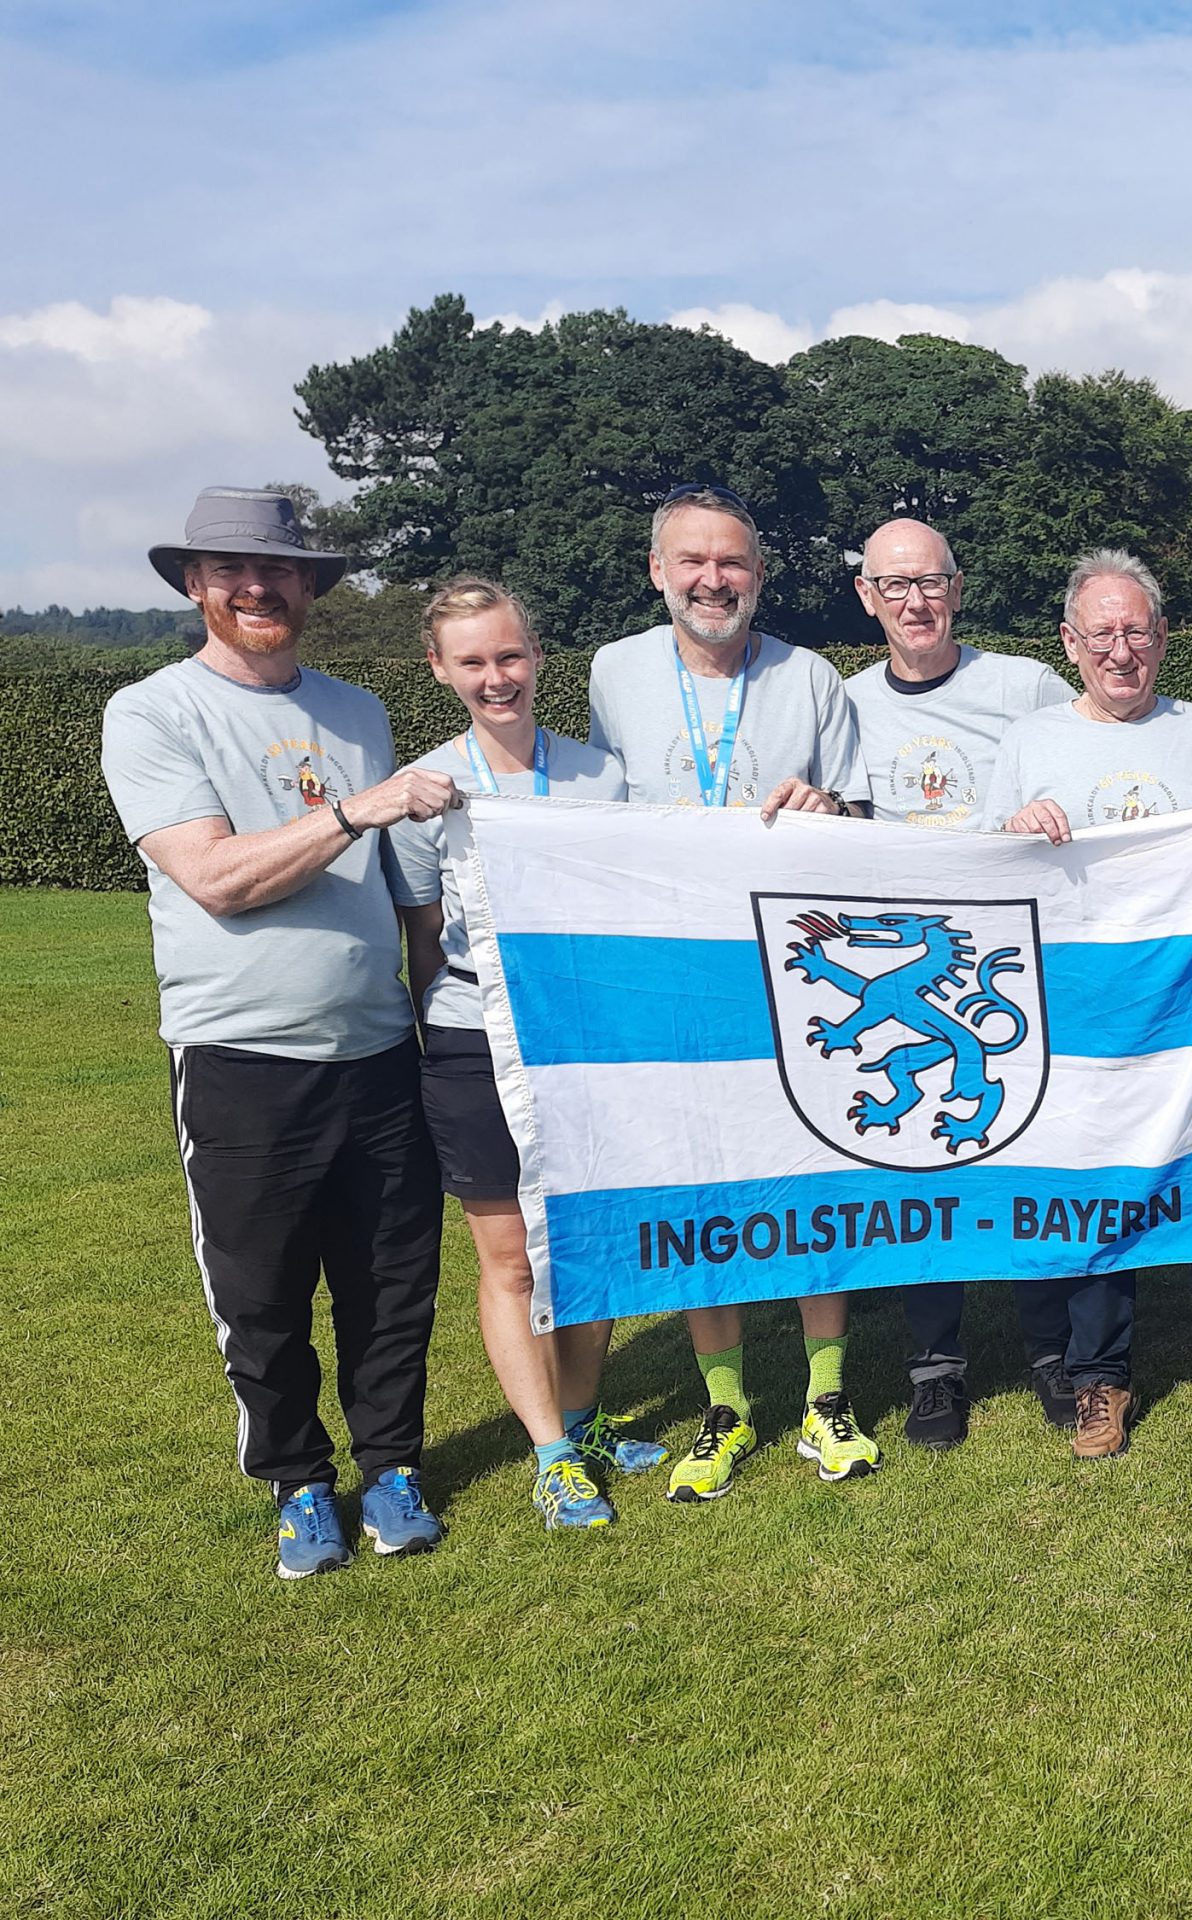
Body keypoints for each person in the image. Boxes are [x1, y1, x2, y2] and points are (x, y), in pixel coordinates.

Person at [100, 487, 452, 1577]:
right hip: (244, 1057)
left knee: (393, 1282)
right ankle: (300, 1484)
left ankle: (392, 1469)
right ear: (197, 586)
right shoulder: (153, 711)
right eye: (232, 572)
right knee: (261, 1293)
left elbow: (410, 896)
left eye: (281, 572)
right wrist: (354, 809)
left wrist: (434, 1014)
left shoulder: (355, 712)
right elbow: (214, 878)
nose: (258, 588)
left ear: (309, 588)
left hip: (379, 1048)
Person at [586, 482, 872, 1502]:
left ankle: (827, 1395)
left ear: (760, 572)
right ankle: (725, 1404)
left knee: (812, 1174)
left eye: (734, 562)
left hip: (789, 975)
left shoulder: (811, 678)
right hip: (671, 978)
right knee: (700, 1182)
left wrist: (827, 803)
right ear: (657, 571)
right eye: (694, 562)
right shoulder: (613, 673)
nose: (715, 580)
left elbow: (862, 819)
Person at [987, 549, 1192, 1458]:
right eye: (1102, 635)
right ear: (1070, 643)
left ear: (1162, 638)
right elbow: (985, 871)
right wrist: (1013, 830)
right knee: (1093, 1184)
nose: (1121, 651)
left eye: (1137, 632)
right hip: (1078, 1007)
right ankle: (1099, 1380)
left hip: (1191, 1003)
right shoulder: (1032, 741)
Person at [387, 578, 666, 1531]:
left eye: (510, 656)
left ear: (538, 656)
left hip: (582, 1040)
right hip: (473, 1039)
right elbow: (426, 941)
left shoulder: (601, 778)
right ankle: (550, 1456)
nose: (496, 678)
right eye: (472, 662)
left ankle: (583, 1424)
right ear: (440, 669)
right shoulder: (424, 788)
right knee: (509, 1258)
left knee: (585, 1240)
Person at [841, 516, 1079, 1450]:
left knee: (1029, 1148)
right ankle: (934, 1368)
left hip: (1014, 959)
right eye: (894, 585)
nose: (914, 601)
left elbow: (1086, 779)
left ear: (957, 586)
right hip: (903, 964)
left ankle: (1052, 1349)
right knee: (915, 1155)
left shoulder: (1026, 687)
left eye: (930, 581)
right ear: (867, 596)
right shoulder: (844, 701)